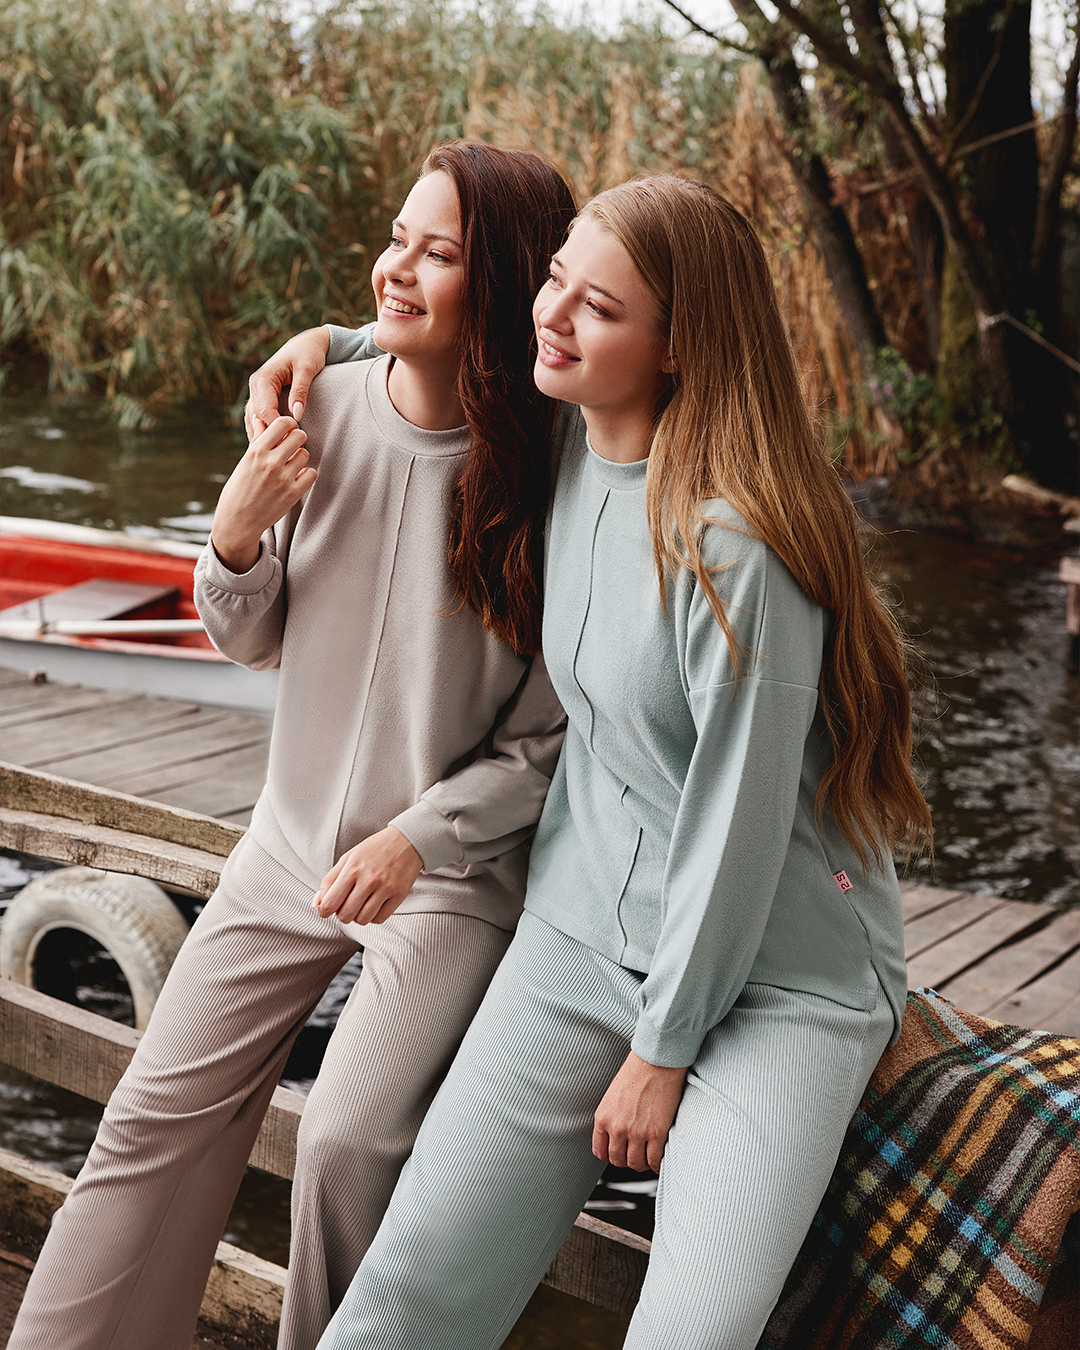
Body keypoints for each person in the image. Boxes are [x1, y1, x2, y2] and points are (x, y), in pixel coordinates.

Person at [270, 175, 933, 1350]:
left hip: (780, 979)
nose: (554, 315)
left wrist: (661, 1051)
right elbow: (464, 336)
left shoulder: (737, 552)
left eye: (600, 307)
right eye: (555, 281)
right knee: (407, 1293)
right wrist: (334, 340)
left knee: (690, 1334)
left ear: (679, 348)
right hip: (581, 931)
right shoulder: (567, 432)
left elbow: (736, 832)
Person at [8, 142, 576, 1350]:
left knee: (347, 1143)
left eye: (438, 253)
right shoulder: (315, 411)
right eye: (396, 238)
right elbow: (250, 640)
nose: (396, 269)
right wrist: (231, 537)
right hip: (285, 845)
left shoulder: (554, 474)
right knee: (148, 1117)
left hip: (444, 876)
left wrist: (418, 839)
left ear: (502, 284)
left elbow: (547, 741)